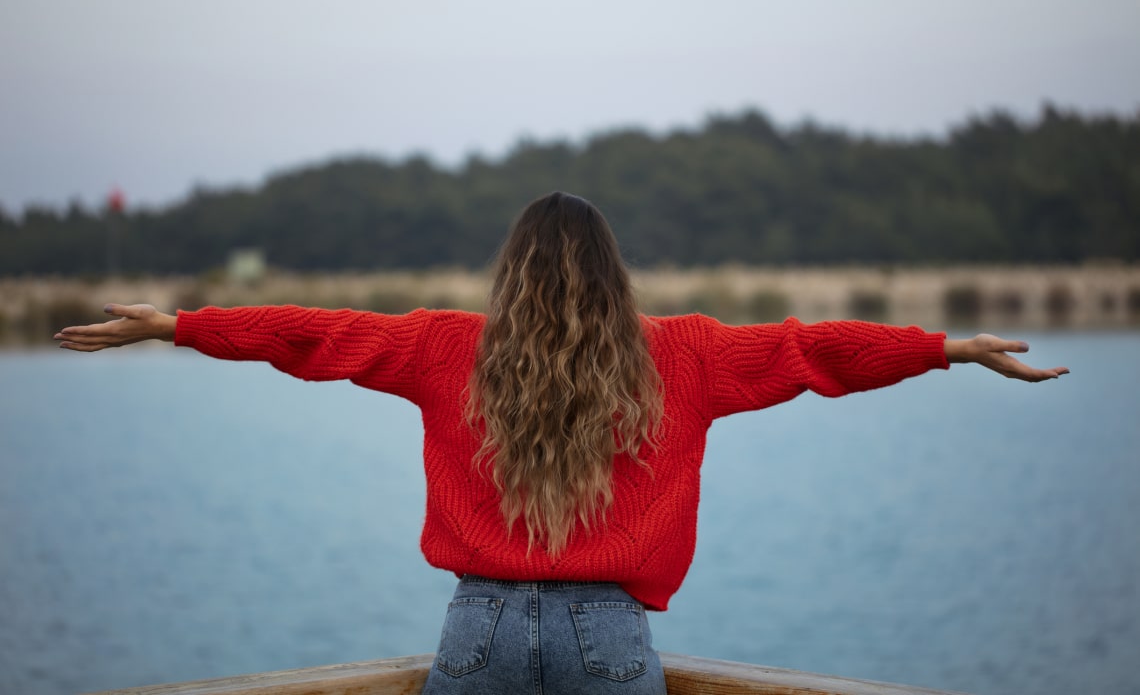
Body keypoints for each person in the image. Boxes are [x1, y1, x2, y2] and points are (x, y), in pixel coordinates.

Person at [55, 192, 1067, 694]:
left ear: (508, 275)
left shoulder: (440, 348)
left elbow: (308, 333)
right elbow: (816, 352)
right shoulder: (688, 356)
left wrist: (179, 325)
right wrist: (944, 348)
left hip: (475, 629)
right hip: (609, 635)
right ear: (615, 275)